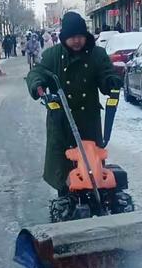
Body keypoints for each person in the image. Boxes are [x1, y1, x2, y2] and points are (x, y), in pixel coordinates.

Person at [26, 11, 122, 196]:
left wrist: (111, 82)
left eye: (80, 36)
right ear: (64, 38)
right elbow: (36, 73)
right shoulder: (53, 56)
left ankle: (98, 199)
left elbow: (105, 74)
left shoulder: (96, 54)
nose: (77, 41)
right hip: (61, 120)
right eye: (72, 37)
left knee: (91, 165)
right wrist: (38, 85)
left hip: (88, 120)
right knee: (64, 169)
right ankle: (65, 201)